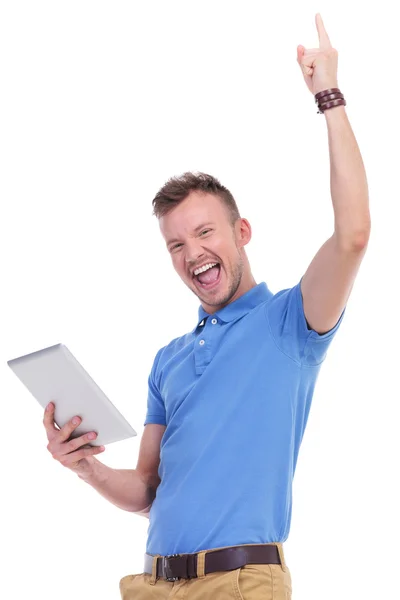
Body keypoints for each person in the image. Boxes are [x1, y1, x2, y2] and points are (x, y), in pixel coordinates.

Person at [43, 14, 370, 600]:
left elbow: (353, 235)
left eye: (205, 233)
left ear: (242, 231)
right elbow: (146, 490)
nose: (192, 253)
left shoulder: (291, 323)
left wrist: (329, 95)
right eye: (176, 244)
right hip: (151, 583)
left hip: (239, 584)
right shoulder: (168, 360)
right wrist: (85, 467)